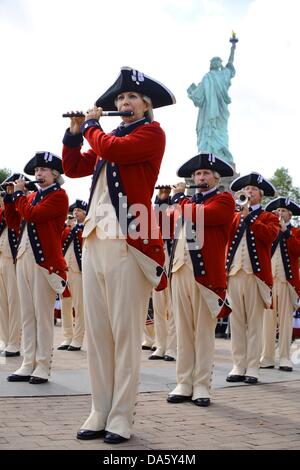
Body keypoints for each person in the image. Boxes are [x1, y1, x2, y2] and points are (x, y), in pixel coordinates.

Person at [62, 66, 175, 444]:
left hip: (129, 242)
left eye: (130, 99)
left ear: (145, 105)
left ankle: (122, 415)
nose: (123, 103)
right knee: (98, 333)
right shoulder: (106, 138)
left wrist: (93, 127)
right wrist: (76, 133)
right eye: (119, 99)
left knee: (126, 334)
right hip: (95, 241)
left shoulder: (151, 134)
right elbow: (73, 166)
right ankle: (100, 408)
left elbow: (114, 150)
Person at [162, 153, 235, 407]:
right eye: (197, 174)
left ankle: (202, 385)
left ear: (216, 178)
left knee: (203, 332)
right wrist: (167, 202)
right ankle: (183, 382)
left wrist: (178, 201)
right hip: (180, 270)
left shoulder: (224, 200)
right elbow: (162, 223)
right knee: (182, 330)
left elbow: (206, 216)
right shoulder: (187, 202)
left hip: (206, 277)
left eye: (205, 174)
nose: (200, 177)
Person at [5, 153, 69, 384]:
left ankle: (42, 365)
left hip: (44, 264)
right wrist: (10, 199)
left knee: (43, 316)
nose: (38, 174)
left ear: (55, 174)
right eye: (37, 170)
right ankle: (27, 362)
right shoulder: (30, 196)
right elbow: (13, 223)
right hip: (23, 259)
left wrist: (20, 195)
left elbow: (34, 215)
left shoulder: (59, 196)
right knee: (27, 314)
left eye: (43, 170)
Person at [226, 173, 279, 384]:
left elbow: (269, 236)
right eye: (246, 189)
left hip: (255, 276)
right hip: (234, 273)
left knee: (255, 324)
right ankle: (238, 365)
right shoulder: (234, 215)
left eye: (253, 190)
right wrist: (239, 214)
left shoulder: (269, 217)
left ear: (261, 195)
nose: (249, 192)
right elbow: (226, 236)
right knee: (236, 322)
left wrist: (248, 217)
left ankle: (253, 367)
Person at [260, 197, 300, 371]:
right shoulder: (271, 230)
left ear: (290, 215)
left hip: (286, 282)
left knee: (285, 321)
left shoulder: (296, 231)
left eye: (283, 211)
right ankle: (267, 357)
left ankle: (284, 357)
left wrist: (286, 233)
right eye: (277, 212)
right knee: (267, 320)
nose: (280, 214)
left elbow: (297, 250)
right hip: (269, 281)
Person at [0, 174, 37, 357]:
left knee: (14, 303)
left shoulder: (24, 204)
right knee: (2, 304)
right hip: (1, 260)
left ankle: (14, 343)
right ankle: (6, 341)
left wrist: (16, 195)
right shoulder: (6, 207)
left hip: (14, 259)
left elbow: (14, 221)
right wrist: (8, 196)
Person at [187, 39, 237, 164]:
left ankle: (222, 156)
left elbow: (230, 63)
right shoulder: (207, 77)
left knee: (221, 132)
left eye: (218, 61)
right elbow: (199, 96)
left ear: (220, 63)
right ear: (211, 64)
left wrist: (233, 48)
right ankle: (206, 154)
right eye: (213, 61)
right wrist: (193, 93)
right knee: (207, 132)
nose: (215, 63)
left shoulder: (225, 74)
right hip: (207, 110)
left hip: (220, 109)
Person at [58, 199, 87, 351]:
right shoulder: (69, 228)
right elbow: (61, 241)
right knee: (65, 303)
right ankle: (67, 336)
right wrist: (67, 226)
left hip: (78, 270)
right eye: (74, 210)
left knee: (79, 305)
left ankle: (78, 338)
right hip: (66, 269)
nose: (75, 212)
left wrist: (75, 228)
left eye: (79, 210)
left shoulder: (85, 227)